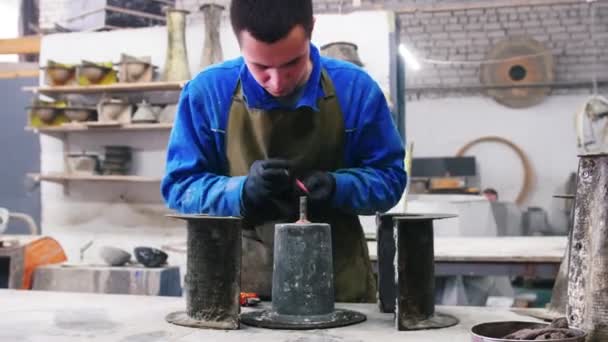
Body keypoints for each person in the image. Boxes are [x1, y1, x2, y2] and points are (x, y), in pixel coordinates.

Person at [161, 0, 406, 303]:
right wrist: (240, 192)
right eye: (261, 67)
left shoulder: (355, 90)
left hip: (338, 290)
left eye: (292, 63)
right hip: (239, 293)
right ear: (238, 42)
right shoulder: (208, 93)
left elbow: (390, 179)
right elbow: (179, 188)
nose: (277, 82)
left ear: (311, 29)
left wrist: (338, 186)